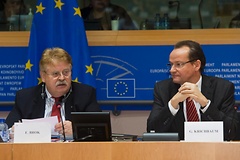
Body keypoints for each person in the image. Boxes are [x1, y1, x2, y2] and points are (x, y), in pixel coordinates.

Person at [147, 40, 238, 141]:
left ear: (196, 65)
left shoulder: (223, 88)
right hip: (177, 154)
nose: (172, 70)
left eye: (178, 64)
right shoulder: (162, 89)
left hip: (212, 152)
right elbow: (152, 130)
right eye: (171, 64)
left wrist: (206, 104)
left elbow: (232, 131)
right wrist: (172, 105)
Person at [6, 47, 101, 137]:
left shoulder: (85, 94)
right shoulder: (25, 97)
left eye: (66, 72)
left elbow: (100, 129)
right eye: (56, 74)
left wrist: (78, 130)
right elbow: (6, 130)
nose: (62, 78)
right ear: (43, 76)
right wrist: (16, 130)